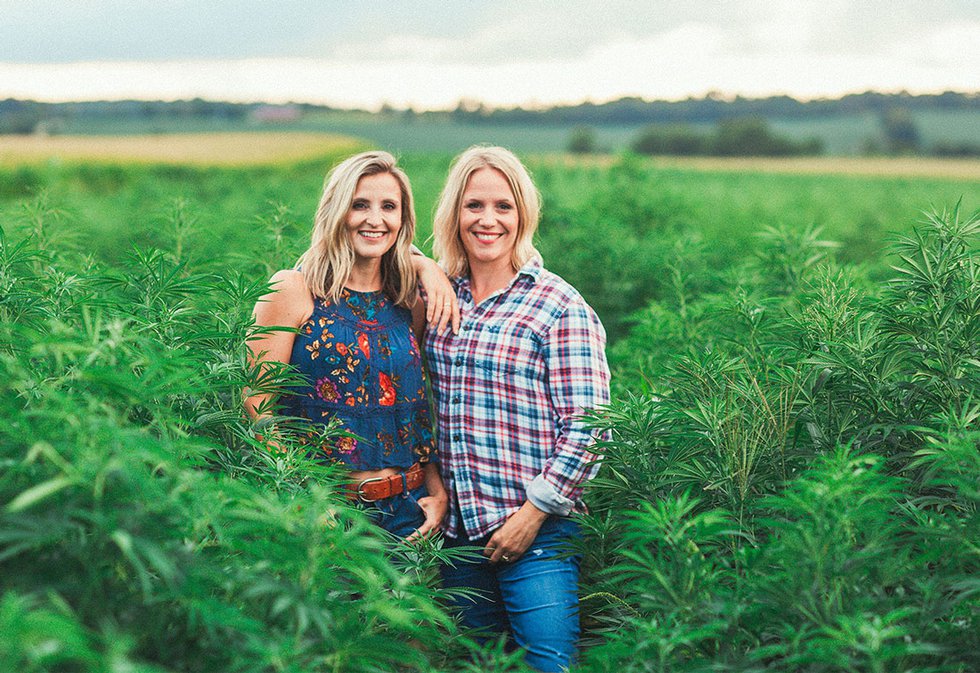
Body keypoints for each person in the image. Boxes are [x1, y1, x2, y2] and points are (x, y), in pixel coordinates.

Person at [423, 146, 611, 671]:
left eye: (503, 207)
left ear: (523, 215)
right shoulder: (439, 297)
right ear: (454, 214)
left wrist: (533, 515)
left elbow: (589, 427)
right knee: (477, 665)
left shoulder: (557, 306)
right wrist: (422, 263)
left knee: (547, 664)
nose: (488, 220)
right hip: (459, 535)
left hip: (536, 533)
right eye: (474, 205)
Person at [246, 150, 453, 539]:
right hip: (326, 511)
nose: (375, 219)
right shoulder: (293, 290)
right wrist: (303, 495)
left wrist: (437, 492)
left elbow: (414, 410)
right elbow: (257, 404)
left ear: (402, 220)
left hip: (409, 510)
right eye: (360, 205)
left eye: (388, 207)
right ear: (337, 211)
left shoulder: (408, 300)